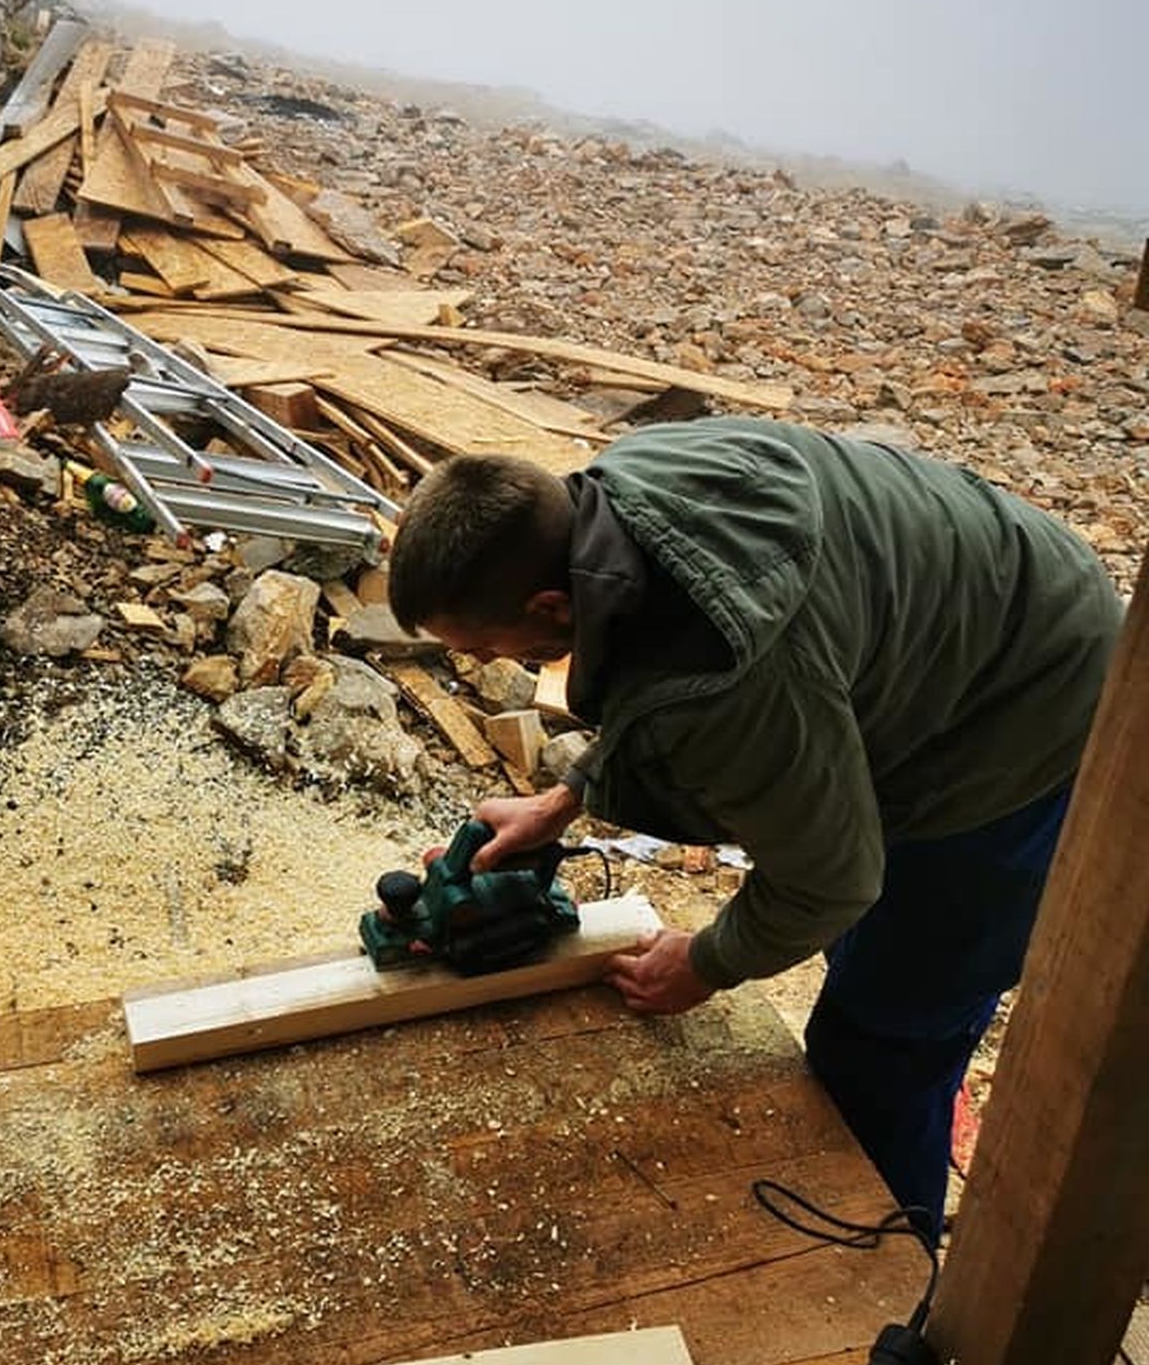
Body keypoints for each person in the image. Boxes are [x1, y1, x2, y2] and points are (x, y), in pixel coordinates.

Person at [387, 417, 1122, 1241]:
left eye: (489, 645)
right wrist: (565, 798)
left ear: (550, 605)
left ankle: (895, 1282)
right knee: (866, 949)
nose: (494, 663)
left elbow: (830, 880)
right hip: (998, 596)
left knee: (880, 1044)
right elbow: (653, 670)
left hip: (1033, 715)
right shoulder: (627, 485)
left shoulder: (737, 678)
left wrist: (707, 962)